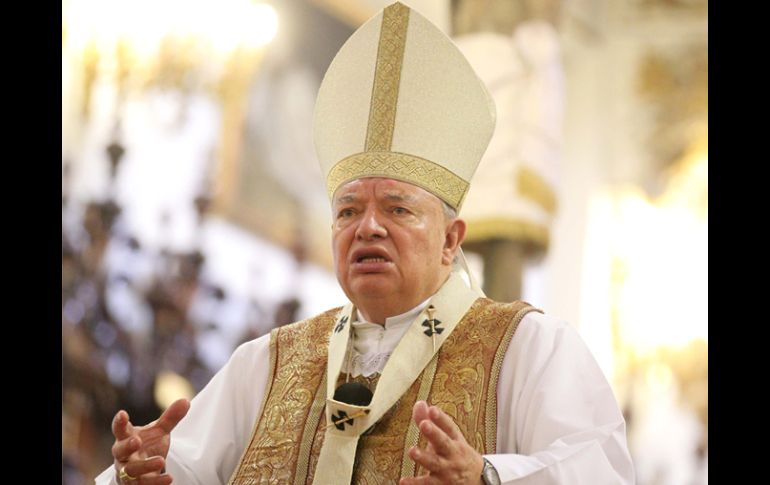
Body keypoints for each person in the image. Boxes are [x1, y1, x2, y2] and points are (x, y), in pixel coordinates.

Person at [96, 2, 634, 484]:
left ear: (451, 239)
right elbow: (175, 469)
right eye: (348, 211)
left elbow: (602, 468)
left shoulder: (527, 349)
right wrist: (136, 475)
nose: (367, 227)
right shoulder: (267, 364)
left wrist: (486, 477)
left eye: (397, 209)